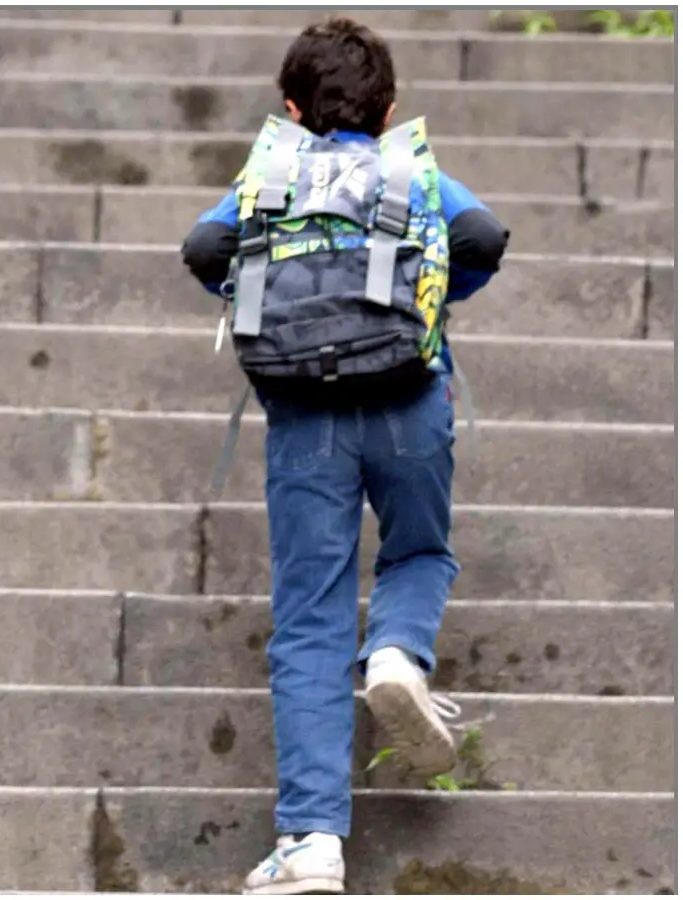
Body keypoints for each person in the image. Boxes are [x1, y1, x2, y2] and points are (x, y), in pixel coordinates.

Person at [179, 18, 509, 896]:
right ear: (391, 106)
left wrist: (268, 292)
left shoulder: (271, 173)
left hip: (304, 419)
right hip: (410, 397)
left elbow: (204, 249)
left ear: (290, 108)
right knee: (418, 550)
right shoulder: (409, 170)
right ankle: (399, 652)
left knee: (311, 618)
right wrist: (430, 295)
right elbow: (484, 237)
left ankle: (313, 844)